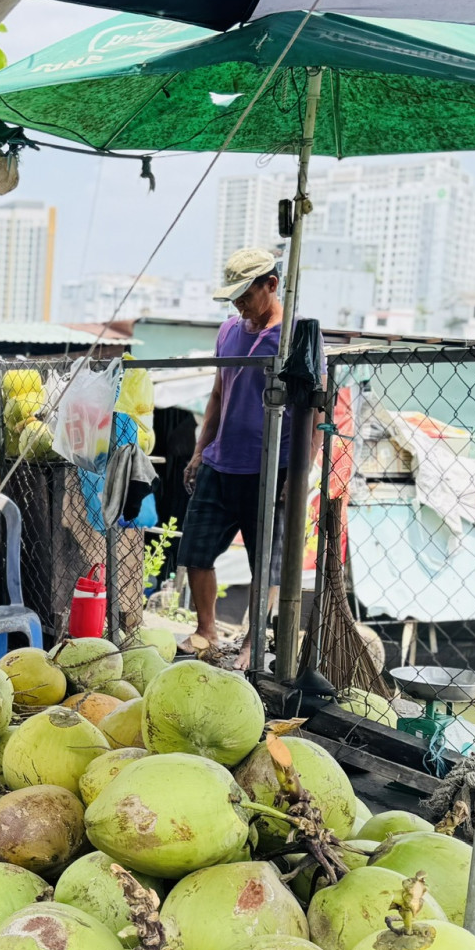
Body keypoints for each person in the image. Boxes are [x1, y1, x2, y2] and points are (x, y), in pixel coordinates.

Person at [179, 247, 305, 654]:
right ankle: (206, 631)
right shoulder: (228, 331)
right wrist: (200, 450)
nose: (239, 306)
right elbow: (219, 393)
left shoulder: (295, 336)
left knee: (264, 564)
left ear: (271, 285)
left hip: (271, 468)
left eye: (246, 296)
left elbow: (313, 409)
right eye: (233, 298)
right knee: (195, 550)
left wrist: (300, 475)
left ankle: (254, 640)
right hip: (220, 460)